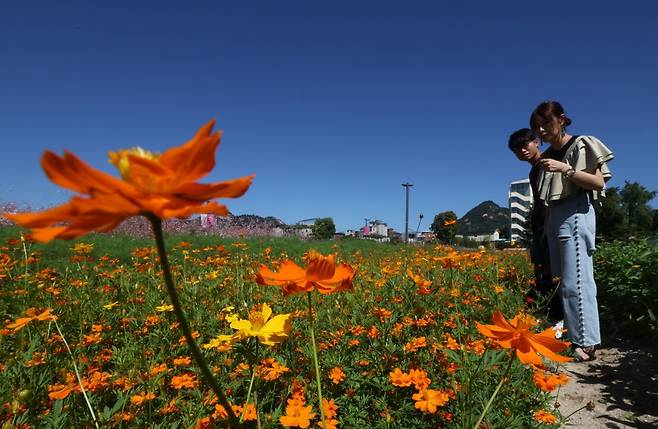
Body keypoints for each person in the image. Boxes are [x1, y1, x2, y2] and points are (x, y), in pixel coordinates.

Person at [530, 101, 614, 362]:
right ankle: (572, 336)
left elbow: (599, 182)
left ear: (562, 119)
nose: (542, 130)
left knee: (577, 280)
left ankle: (587, 344)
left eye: (546, 123)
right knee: (561, 281)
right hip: (555, 216)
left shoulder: (582, 144)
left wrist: (566, 169)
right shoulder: (547, 158)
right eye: (537, 127)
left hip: (576, 212)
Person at [508, 128, 563, 324]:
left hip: (551, 225)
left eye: (525, 145)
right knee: (542, 272)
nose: (521, 151)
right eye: (516, 149)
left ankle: (558, 319)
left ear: (537, 142)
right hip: (540, 227)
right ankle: (548, 315)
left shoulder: (548, 162)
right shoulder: (534, 170)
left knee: (553, 273)